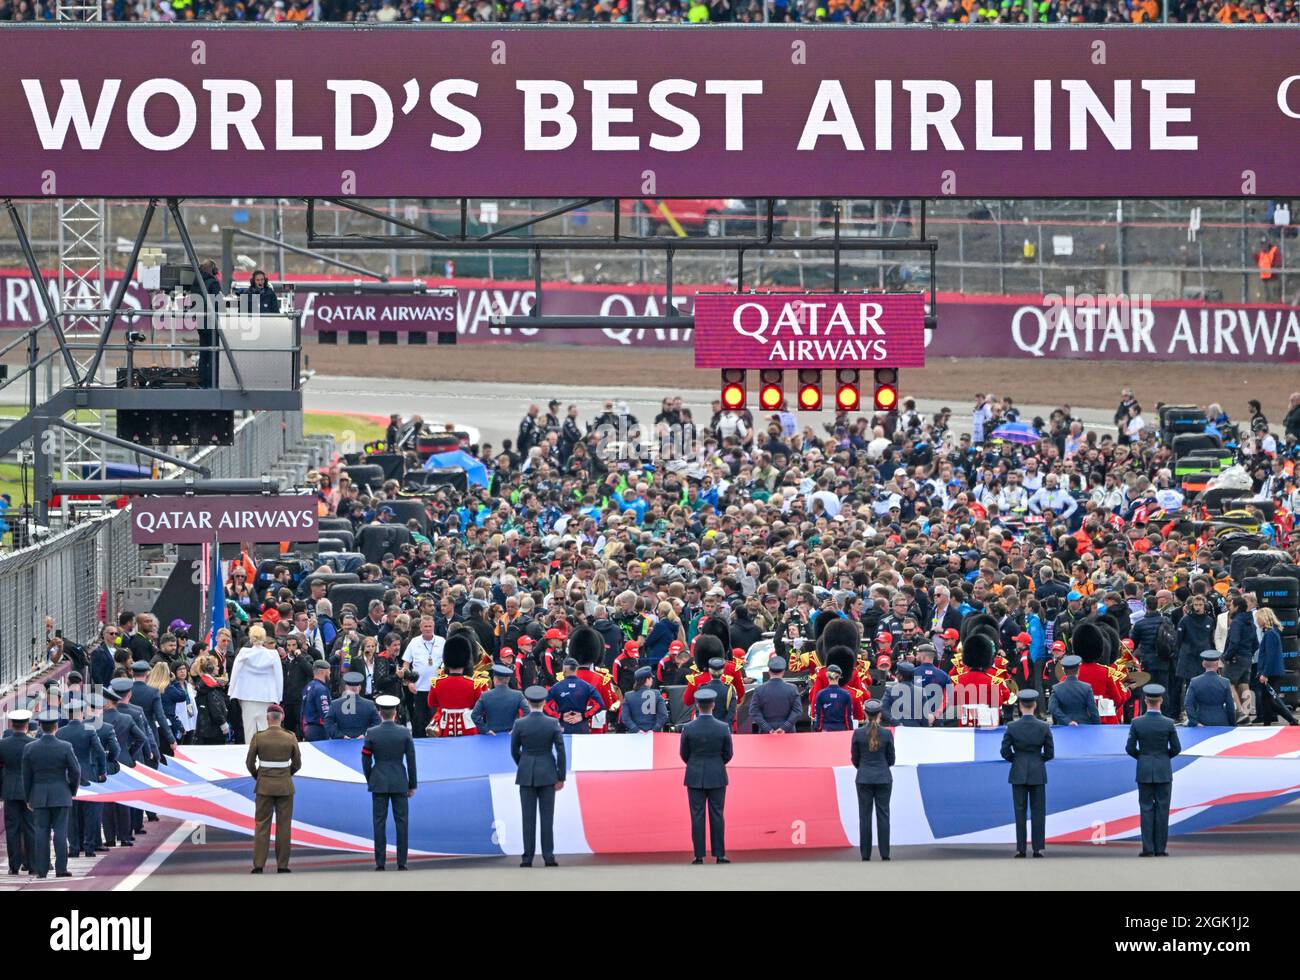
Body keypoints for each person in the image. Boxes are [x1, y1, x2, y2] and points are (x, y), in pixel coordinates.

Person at [511, 685, 566, 868]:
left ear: (527, 702)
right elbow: (560, 751)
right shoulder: (552, 723)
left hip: (526, 773)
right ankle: (548, 856)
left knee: (528, 818)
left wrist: (524, 764)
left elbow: (514, 750)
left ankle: (527, 858)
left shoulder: (520, 723)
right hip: (548, 773)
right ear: (544, 702)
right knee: (547, 817)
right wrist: (561, 776)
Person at [22, 709, 80, 879]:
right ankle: (61, 868)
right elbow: (75, 771)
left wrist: (28, 797)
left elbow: (26, 776)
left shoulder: (30, 748)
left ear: (40, 726)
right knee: (61, 833)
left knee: (41, 833)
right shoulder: (65, 746)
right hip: (61, 793)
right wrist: (71, 790)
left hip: (39, 794)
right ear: (56, 727)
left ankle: (41, 869)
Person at [362, 694, 417, 872]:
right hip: (400, 781)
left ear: (380, 713)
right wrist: (412, 784)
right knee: (402, 822)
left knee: (379, 822)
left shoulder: (371, 733)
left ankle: (380, 862)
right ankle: (402, 862)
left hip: (379, 780)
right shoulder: (404, 733)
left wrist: (370, 777)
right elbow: (411, 761)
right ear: (395, 713)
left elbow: (365, 759)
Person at [679, 687, 733, 865]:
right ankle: (720, 854)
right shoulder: (723, 727)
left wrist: (694, 764)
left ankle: (698, 855)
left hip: (694, 775)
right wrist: (717, 764)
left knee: (697, 815)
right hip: (717, 774)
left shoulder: (688, 728)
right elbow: (728, 753)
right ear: (713, 705)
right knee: (717, 814)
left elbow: (684, 753)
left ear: (696, 705)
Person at [1125, 685, 1181, 857]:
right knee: (1163, 809)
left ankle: (1147, 848)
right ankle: (1160, 848)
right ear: (1161, 701)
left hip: (1144, 769)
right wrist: (1164, 757)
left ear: (1145, 700)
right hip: (1163, 769)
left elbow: (1129, 748)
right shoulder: (1168, 723)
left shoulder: (1137, 723)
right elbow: (1176, 748)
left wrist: (1142, 757)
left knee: (1146, 808)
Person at [246, 703, 301, 874]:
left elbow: (249, 763)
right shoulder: (290, 737)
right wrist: (286, 774)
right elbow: (297, 763)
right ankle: (282, 865)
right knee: (284, 826)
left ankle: (259, 865)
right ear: (282, 718)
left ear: (267, 718)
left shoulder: (258, 737)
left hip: (264, 787)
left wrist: (258, 776)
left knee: (262, 825)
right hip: (285, 786)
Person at [1000, 689, 1054, 858]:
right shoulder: (1044, 726)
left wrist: (1016, 760)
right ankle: (1037, 848)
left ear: (1020, 706)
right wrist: (1039, 760)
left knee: (1020, 810)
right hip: (1038, 771)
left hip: (1018, 770)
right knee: (1038, 811)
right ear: (1035, 705)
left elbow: (1004, 750)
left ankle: (1021, 848)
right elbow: (1050, 753)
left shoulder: (1012, 726)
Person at [56, 699, 107, 859]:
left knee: (71, 815)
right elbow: (99, 752)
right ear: (81, 713)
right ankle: (90, 846)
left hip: (67, 777)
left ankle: (74, 847)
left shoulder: (60, 732)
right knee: (91, 813)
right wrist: (101, 772)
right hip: (88, 775)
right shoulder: (90, 729)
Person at [850, 699, 895, 861]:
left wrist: (863, 768)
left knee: (865, 816)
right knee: (883, 815)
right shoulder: (887, 733)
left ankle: (865, 854)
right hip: (883, 777)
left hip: (864, 777)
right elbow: (891, 759)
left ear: (865, 714)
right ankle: (885, 853)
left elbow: (855, 759)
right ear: (880, 715)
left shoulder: (858, 733)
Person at [229, 625, 284, 742]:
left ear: (250, 638)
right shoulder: (273, 654)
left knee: (249, 730)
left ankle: (250, 754)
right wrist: (279, 697)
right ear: (264, 638)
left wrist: (232, 691)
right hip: (267, 695)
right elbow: (279, 677)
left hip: (246, 695)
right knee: (265, 728)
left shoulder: (244, 653)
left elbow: (235, 672)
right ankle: (265, 752)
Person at [0, 709, 35, 874]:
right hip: (29, 791)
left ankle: (14, 866)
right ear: (27, 725)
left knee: (12, 828)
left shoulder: (3, 744)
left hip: (10, 790)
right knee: (31, 827)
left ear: (12, 725)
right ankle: (32, 863)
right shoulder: (33, 744)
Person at [545, 657, 605, 735]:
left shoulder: (556, 687)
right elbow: (600, 705)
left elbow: (544, 706)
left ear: (564, 670)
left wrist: (559, 716)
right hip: (581, 726)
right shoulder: (587, 686)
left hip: (563, 725)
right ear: (576, 669)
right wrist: (583, 716)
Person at [748, 656, 802, 733]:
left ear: (769, 671)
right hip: (788, 731)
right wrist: (785, 727)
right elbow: (797, 711)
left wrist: (767, 728)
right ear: (783, 672)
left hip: (766, 732)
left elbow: (754, 711)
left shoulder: (759, 690)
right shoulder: (792, 689)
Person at [472, 664, 529, 735]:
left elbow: (474, 715)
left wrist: (485, 730)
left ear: (494, 679)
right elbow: (528, 711)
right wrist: (517, 728)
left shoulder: (485, 695)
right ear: (508, 679)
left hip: (492, 736)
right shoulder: (518, 695)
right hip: (511, 736)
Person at [1184, 651, 1237, 727]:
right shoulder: (1225, 682)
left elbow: (1188, 704)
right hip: (1221, 721)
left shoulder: (1194, 681)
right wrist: (1233, 724)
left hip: (1201, 720)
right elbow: (1230, 706)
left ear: (1203, 664)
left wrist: (1194, 722)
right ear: (1218, 664)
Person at [1253, 607, 1286, 726]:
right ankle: (1267, 722)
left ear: (1264, 618)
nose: (1257, 621)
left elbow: (1270, 656)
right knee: (1267, 699)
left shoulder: (1270, 634)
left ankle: (1291, 719)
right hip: (1271, 671)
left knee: (1270, 699)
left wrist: (1264, 674)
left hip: (1270, 672)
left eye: (1258, 619)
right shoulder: (1271, 632)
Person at [1047, 654, 1100, 726]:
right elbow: (1093, 711)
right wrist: (1097, 726)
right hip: (1084, 725)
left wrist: (1067, 721)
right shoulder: (1086, 687)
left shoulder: (1056, 688)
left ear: (1064, 671)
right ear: (1078, 670)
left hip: (1064, 726)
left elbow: (1052, 708)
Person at [326, 672, 381, 740]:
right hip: (363, 743)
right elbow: (377, 723)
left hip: (341, 743)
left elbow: (328, 723)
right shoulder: (369, 704)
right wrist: (365, 734)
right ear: (360, 688)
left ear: (346, 687)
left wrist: (339, 735)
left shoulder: (335, 704)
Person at [620, 666, 668, 733]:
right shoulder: (656, 693)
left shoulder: (628, 696)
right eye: (651, 678)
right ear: (647, 680)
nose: (652, 680)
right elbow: (663, 715)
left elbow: (625, 718)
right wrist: (654, 729)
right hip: (653, 735)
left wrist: (636, 729)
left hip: (634, 734)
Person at [814, 664, 855, 732]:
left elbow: (819, 716)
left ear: (827, 676)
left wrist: (818, 730)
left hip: (826, 729)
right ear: (839, 677)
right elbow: (848, 717)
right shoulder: (846, 694)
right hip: (842, 729)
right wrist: (850, 730)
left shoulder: (821, 694)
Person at [299, 660, 332, 742]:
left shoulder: (308, 686)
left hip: (307, 728)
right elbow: (325, 713)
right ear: (322, 672)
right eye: (328, 671)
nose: (330, 673)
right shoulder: (321, 689)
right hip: (318, 730)